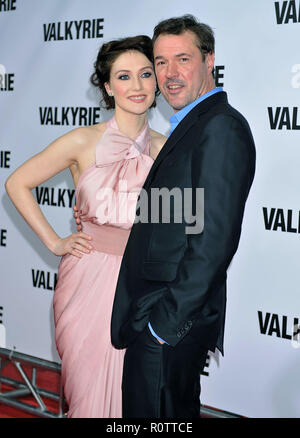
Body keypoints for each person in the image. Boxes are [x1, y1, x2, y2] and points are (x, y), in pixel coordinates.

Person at [5, 35, 166, 417]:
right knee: (88, 396)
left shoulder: (167, 147)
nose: (138, 86)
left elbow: (178, 219)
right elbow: (17, 183)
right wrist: (55, 242)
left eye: (145, 74)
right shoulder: (82, 139)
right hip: (87, 278)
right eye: (124, 77)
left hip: (143, 284)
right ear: (108, 86)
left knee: (136, 402)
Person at [109, 15, 256, 418]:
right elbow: (175, 220)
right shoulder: (192, 125)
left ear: (209, 61)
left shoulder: (221, 128)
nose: (169, 74)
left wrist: (163, 328)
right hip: (157, 318)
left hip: (169, 325)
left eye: (182, 59)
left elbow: (212, 242)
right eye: (160, 62)